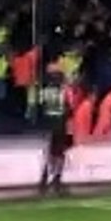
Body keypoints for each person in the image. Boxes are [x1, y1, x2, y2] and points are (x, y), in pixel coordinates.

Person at [38, 57, 71, 196]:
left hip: (49, 122)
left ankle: (46, 179)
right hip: (59, 121)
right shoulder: (63, 90)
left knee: (51, 151)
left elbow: (41, 106)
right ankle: (56, 179)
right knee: (58, 152)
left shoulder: (44, 90)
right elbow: (69, 106)